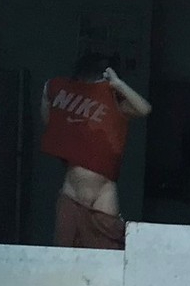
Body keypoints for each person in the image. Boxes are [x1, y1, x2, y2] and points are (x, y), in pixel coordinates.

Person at [39, 53, 151, 250]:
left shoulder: (116, 104)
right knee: (62, 260)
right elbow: (50, 121)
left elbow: (144, 109)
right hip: (71, 193)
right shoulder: (66, 98)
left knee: (107, 263)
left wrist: (117, 84)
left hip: (103, 198)